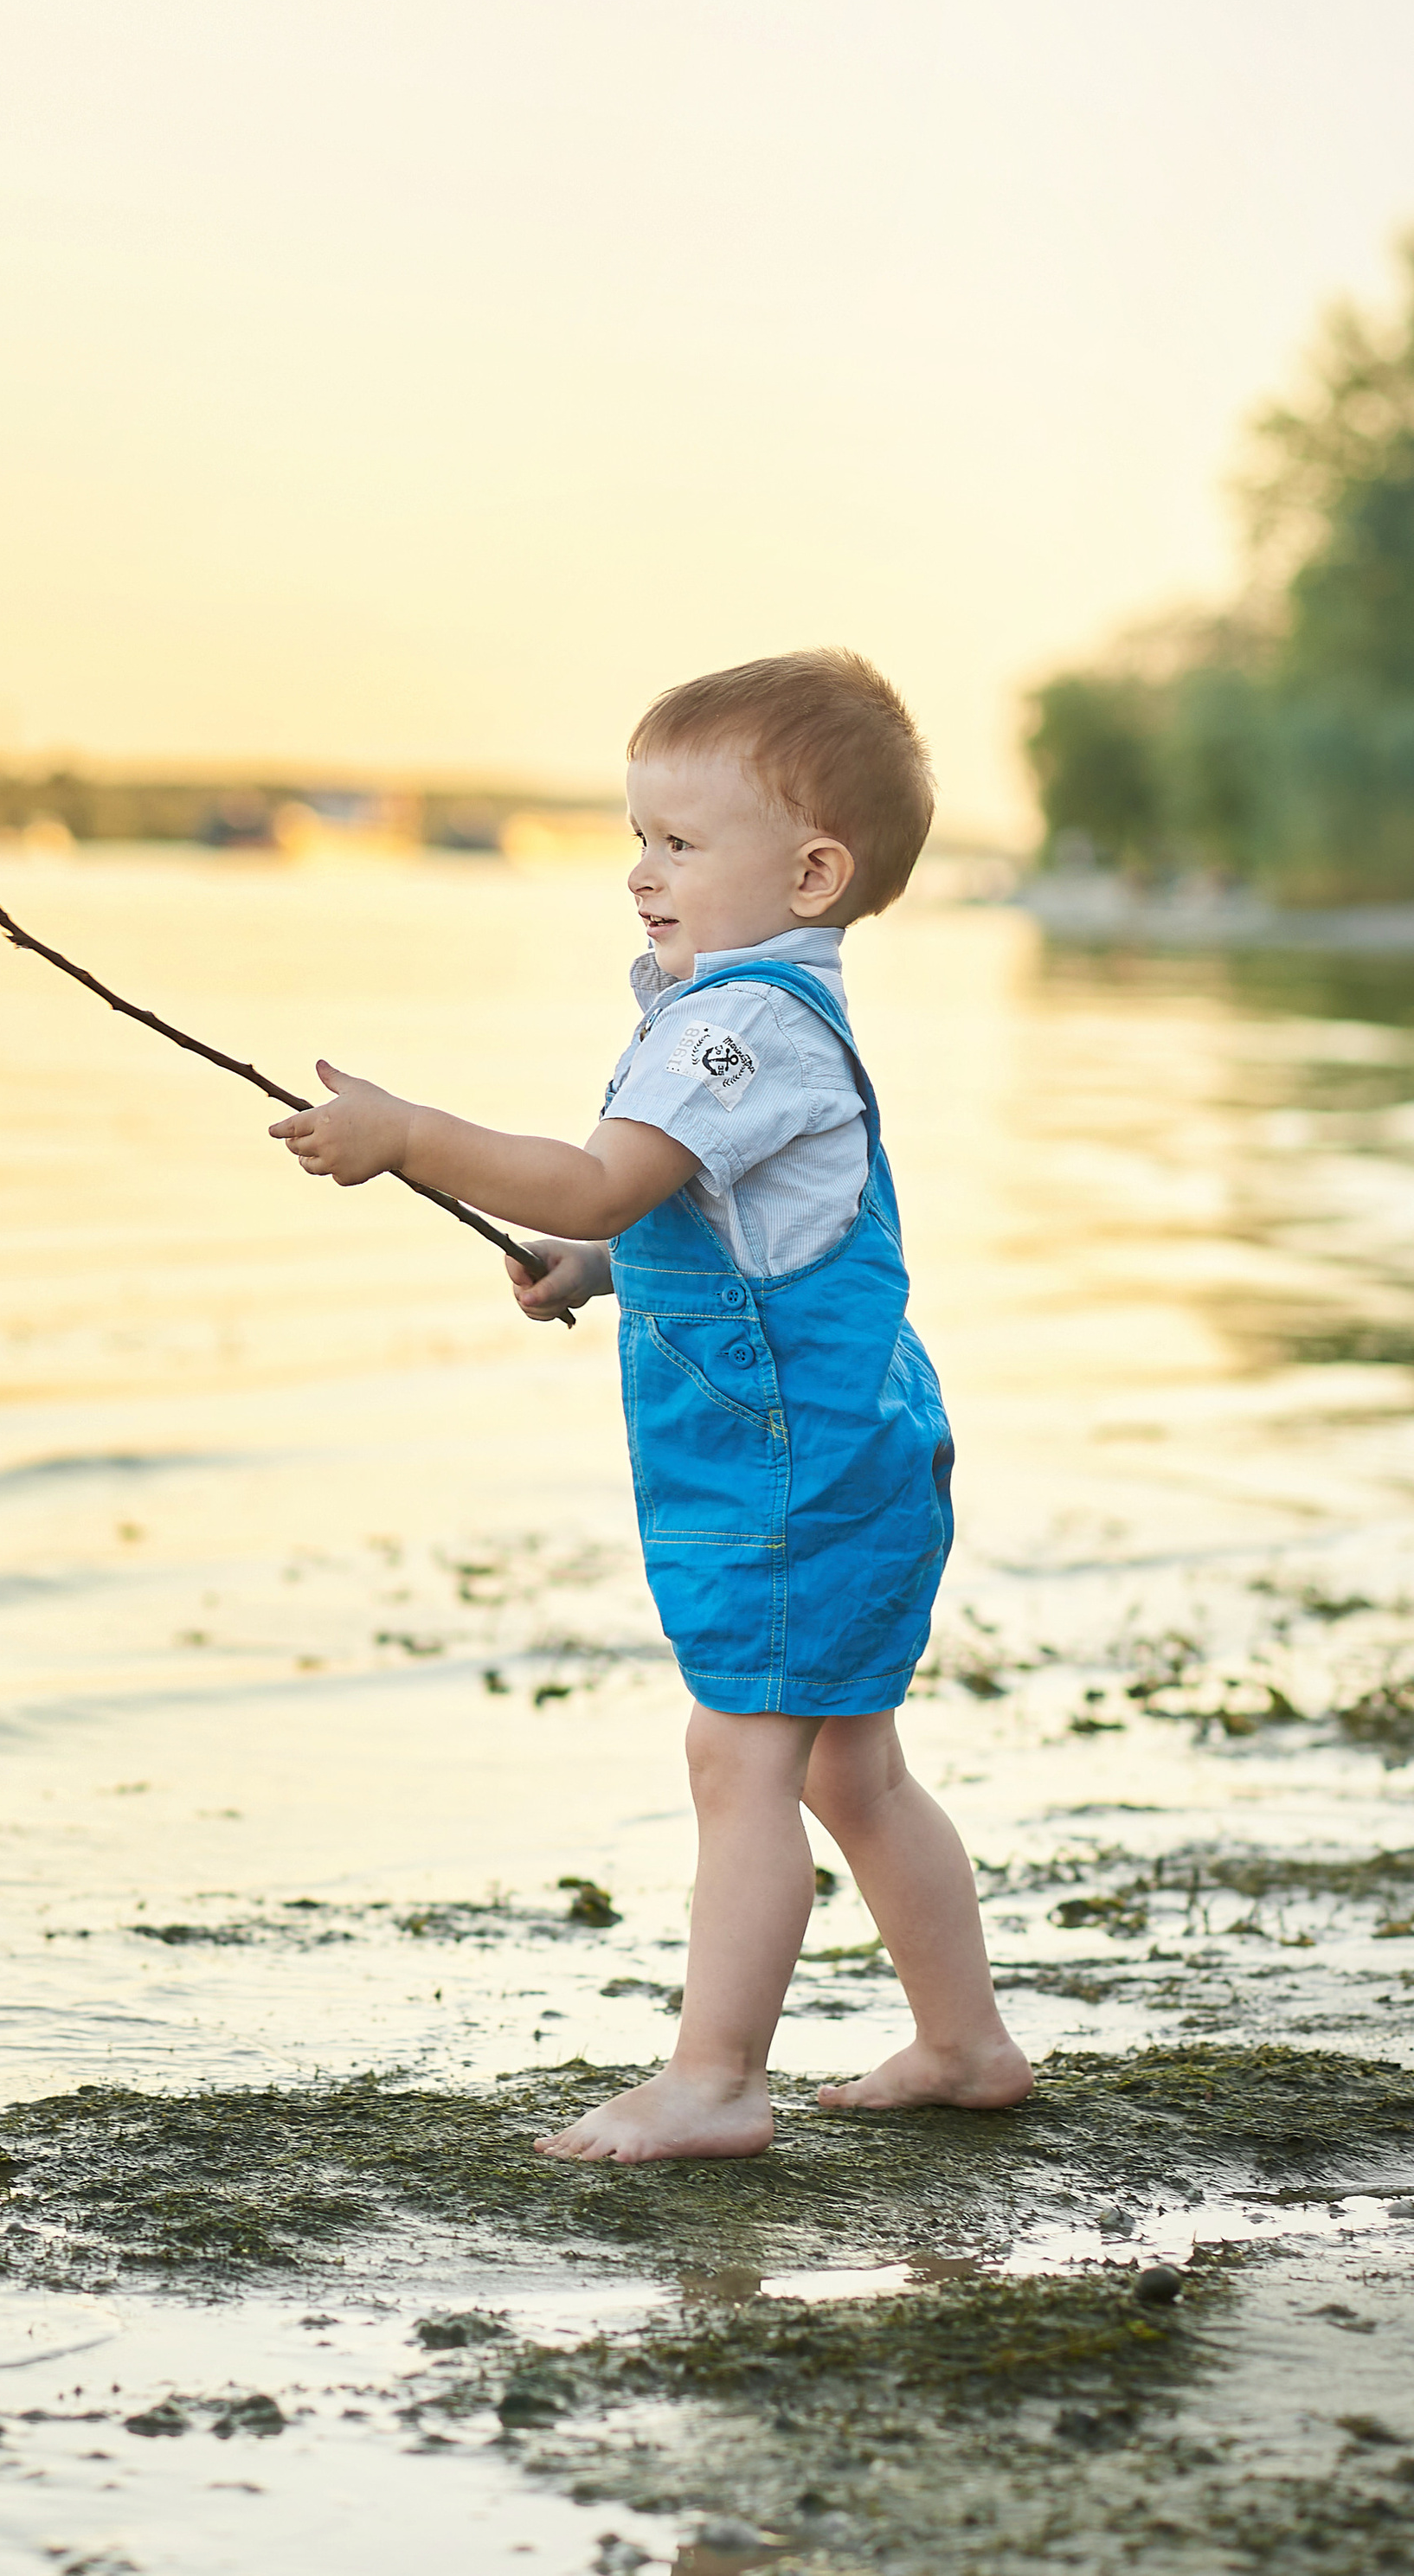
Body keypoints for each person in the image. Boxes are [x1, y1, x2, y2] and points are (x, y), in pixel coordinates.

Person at [270, 651, 1031, 2162]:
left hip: (792, 1467)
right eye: (638, 837)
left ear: (814, 869)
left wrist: (413, 1133)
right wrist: (609, 1267)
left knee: (739, 1755)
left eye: (679, 843)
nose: (638, 873)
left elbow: (606, 1167)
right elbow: (730, 1229)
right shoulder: (762, 1013)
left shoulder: (728, 1030)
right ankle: (965, 2042)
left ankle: (718, 2080)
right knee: (846, 1764)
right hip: (853, 1441)